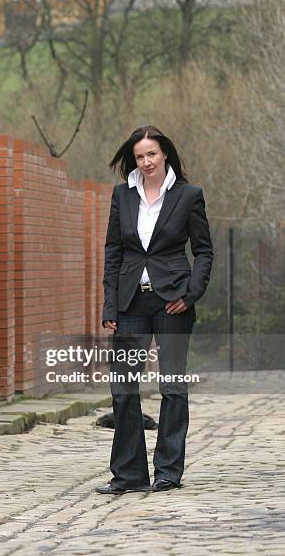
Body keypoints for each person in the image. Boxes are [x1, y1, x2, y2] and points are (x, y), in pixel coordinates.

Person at [96, 125, 213, 494]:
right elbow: (114, 251)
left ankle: (168, 472)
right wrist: (110, 303)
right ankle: (129, 475)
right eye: (139, 156)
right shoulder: (122, 195)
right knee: (124, 389)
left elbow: (204, 251)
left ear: (165, 154)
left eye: (151, 154)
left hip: (172, 301)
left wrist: (191, 293)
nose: (146, 162)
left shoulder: (188, 195)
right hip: (131, 300)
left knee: (172, 386)